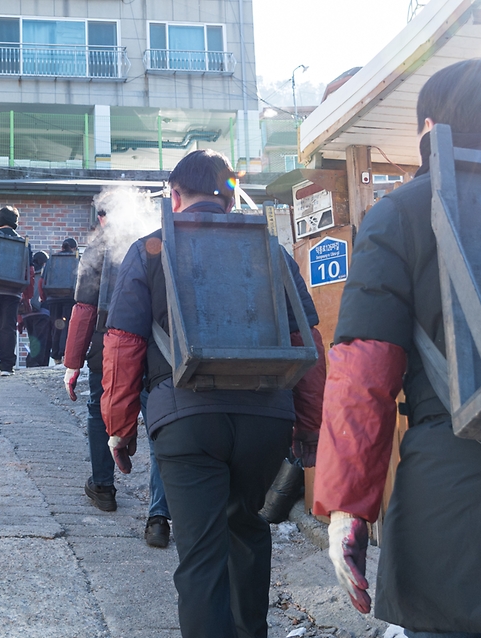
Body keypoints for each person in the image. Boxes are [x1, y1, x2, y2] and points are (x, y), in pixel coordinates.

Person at [101, 149, 320, 637]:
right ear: (227, 195)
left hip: (185, 421)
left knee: (200, 556)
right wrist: (308, 423)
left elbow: (122, 346)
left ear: (174, 196)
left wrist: (119, 430)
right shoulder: (270, 249)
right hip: (266, 419)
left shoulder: (150, 249)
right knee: (247, 530)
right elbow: (307, 341)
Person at [314, 58, 481, 636]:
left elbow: (365, 368)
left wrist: (349, 507)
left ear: (427, 129)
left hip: (456, 491)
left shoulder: (402, 213)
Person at [63, 206, 172, 547]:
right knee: (159, 433)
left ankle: (103, 486)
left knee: (100, 412)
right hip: (158, 352)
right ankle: (158, 518)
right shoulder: (160, 244)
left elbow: (84, 308)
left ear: (100, 218)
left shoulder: (98, 248)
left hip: (106, 350)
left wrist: (72, 363)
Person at [0, 206, 31, 376]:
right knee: (8, 326)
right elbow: (29, 271)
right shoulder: (24, 243)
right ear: (15, 223)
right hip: (13, 292)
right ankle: (7, 366)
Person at [46, 237, 77, 364]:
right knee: (67, 327)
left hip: (53, 299)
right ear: (74, 248)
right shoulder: (75, 259)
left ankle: (56, 357)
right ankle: (64, 354)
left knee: (56, 327)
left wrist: (44, 298)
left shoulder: (53, 259)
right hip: (69, 299)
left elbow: (43, 281)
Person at [22, 251, 52, 368]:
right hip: (41, 312)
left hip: (26, 314)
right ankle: (33, 362)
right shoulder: (43, 273)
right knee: (41, 340)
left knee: (34, 339)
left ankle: (40, 364)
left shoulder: (27, 272)